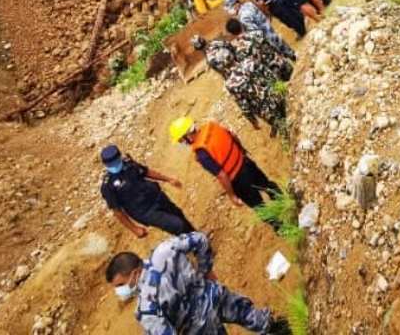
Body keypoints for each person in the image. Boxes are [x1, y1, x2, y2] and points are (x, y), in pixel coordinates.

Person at [106, 233, 290, 335]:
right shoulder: (164, 250)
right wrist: (206, 271)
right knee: (251, 316)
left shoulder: (146, 307)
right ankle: (286, 330)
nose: (120, 291)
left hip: (200, 328)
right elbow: (200, 240)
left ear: (134, 273)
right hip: (213, 294)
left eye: (120, 284)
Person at [169, 118, 282, 210]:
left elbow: (222, 175)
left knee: (260, 207)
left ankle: (282, 228)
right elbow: (233, 136)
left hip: (239, 181)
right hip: (246, 163)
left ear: (187, 136)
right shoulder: (211, 126)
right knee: (267, 185)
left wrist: (232, 196)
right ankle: (285, 202)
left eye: (180, 140)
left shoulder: (202, 154)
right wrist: (242, 152)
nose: (182, 143)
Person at [100, 145, 194, 238]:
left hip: (157, 197)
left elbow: (146, 172)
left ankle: (197, 237)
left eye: (117, 161)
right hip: (146, 212)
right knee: (177, 225)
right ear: (106, 165)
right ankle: (198, 247)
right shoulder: (108, 185)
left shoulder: (128, 164)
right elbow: (117, 211)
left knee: (178, 214)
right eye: (112, 164)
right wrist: (135, 229)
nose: (116, 165)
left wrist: (168, 179)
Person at [223, 0, 295, 61]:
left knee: (281, 57)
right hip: (270, 30)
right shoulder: (248, 4)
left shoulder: (244, 17)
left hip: (267, 40)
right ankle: (293, 55)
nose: (230, 11)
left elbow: (256, 33)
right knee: (285, 48)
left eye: (230, 8)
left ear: (236, 4)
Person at [226, 16, 293, 82]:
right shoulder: (257, 33)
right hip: (279, 63)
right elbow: (272, 45)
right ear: (241, 24)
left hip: (270, 75)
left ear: (232, 34)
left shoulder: (239, 51)